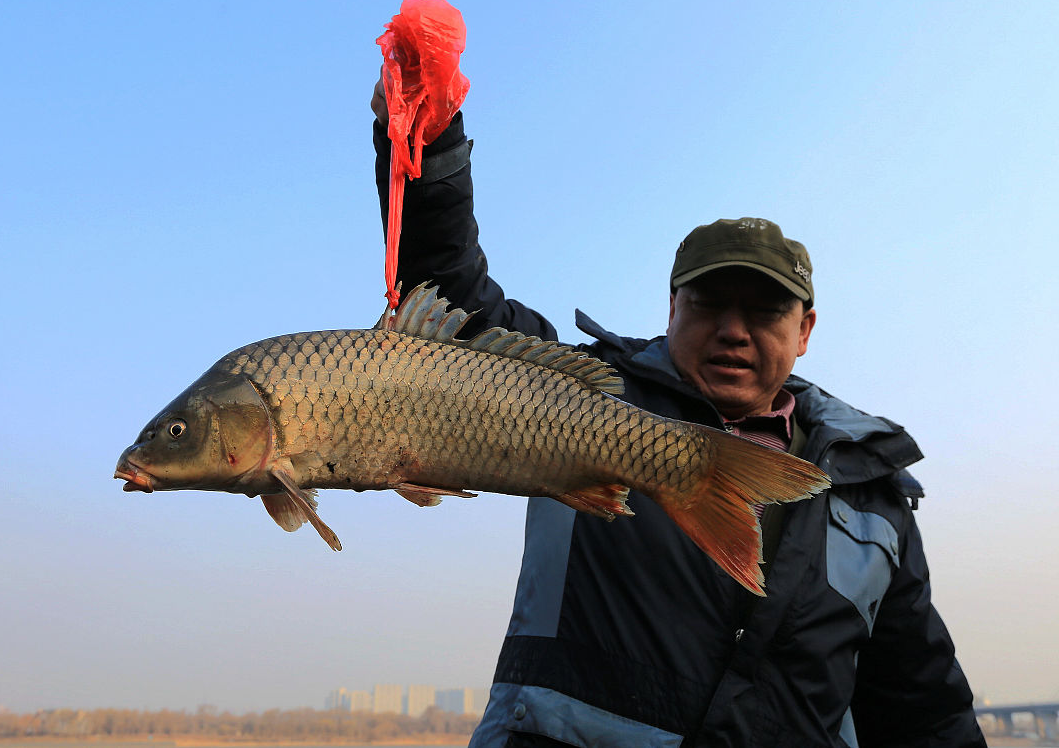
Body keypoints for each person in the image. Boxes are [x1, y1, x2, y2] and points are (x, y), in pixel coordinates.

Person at [370, 81, 986, 747]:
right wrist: (430, 142)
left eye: (764, 311)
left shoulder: (872, 489)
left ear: (805, 329)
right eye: (709, 304)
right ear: (672, 309)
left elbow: (922, 703)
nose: (733, 331)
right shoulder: (583, 395)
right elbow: (454, 307)